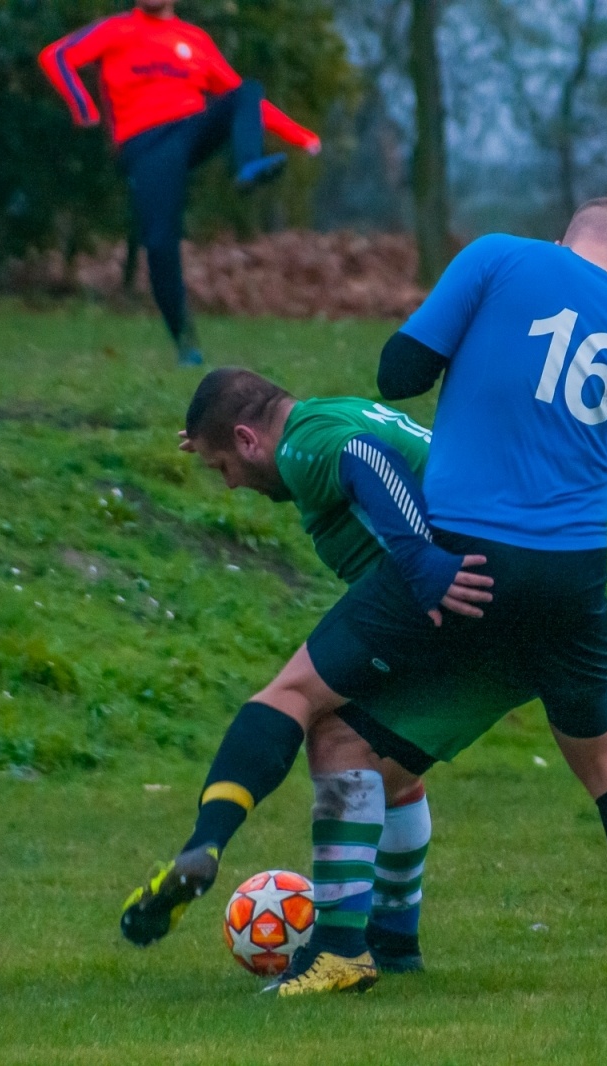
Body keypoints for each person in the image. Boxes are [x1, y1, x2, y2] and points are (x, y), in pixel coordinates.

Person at [122, 198, 607, 995]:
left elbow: (398, 375)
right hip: (569, 583)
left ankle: (308, 922)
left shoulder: (501, 257)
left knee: (302, 704)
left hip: (461, 554)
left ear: (563, 240)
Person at [119, 373, 452, 974]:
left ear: (249, 439)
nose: (231, 483)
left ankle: (207, 841)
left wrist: (422, 562)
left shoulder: (304, 445)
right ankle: (396, 944)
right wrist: (210, 430)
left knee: (291, 696)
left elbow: (364, 459)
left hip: (433, 584)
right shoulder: (330, 412)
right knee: (380, 761)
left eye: (224, 466)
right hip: (488, 578)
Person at [39, 0, 322, 367]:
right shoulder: (116, 30)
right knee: (160, 244)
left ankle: (248, 166)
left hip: (190, 130)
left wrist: (300, 136)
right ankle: (186, 343)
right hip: (146, 145)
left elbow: (245, 101)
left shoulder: (195, 39)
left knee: (247, 90)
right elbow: (57, 56)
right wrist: (83, 107)